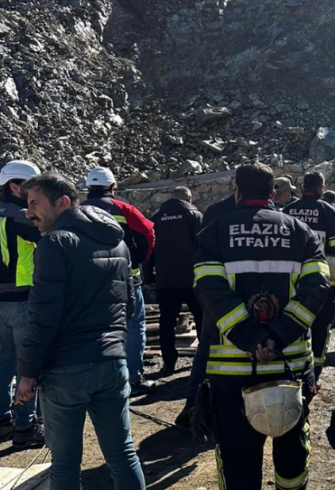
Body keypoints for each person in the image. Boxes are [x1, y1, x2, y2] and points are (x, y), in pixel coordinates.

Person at [194, 162, 330, 490]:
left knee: (238, 461)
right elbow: (317, 287)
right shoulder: (302, 233)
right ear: (273, 193)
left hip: (232, 373)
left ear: (236, 191)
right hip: (290, 367)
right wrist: (277, 336)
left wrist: (250, 338)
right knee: (292, 455)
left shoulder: (213, 233)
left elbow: (210, 290)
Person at [17, 173, 146, 490]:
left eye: (35, 203)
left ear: (62, 202)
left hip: (66, 370)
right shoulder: (117, 241)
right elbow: (129, 307)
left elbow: (43, 317)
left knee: (64, 465)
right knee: (123, 455)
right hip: (112, 363)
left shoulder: (54, 243)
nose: (29, 212)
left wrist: (28, 374)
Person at [0, 160, 44, 447]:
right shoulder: (20, 215)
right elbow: (46, 238)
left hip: (0, 297)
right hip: (21, 296)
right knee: (26, 366)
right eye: (29, 187)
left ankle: (0, 422)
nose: (33, 195)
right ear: (14, 186)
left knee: (6, 362)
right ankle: (25, 427)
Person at [82, 167, 156, 393]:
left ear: (88, 188)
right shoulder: (124, 209)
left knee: (92, 328)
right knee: (134, 327)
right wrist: (138, 260)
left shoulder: (76, 212)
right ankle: (133, 378)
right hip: (125, 279)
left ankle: (94, 379)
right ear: (113, 188)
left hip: (88, 282)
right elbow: (149, 233)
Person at [176, 192, 237, 427]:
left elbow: (200, 252)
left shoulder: (214, 211)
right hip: (249, 296)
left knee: (207, 344)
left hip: (216, 294)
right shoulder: (271, 215)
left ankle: (193, 405)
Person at [285, 173, 335, 381]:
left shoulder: (286, 211)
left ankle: (290, 368)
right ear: (321, 188)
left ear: (303, 186)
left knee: (291, 323)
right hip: (323, 284)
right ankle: (315, 372)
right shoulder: (330, 212)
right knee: (321, 326)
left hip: (290, 283)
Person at [144, 186, 205, 376]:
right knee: (202, 320)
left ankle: (169, 363)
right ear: (189, 198)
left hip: (166, 281)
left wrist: (148, 277)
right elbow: (204, 246)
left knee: (167, 323)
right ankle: (204, 361)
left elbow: (148, 251)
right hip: (193, 279)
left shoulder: (155, 219)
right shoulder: (195, 216)